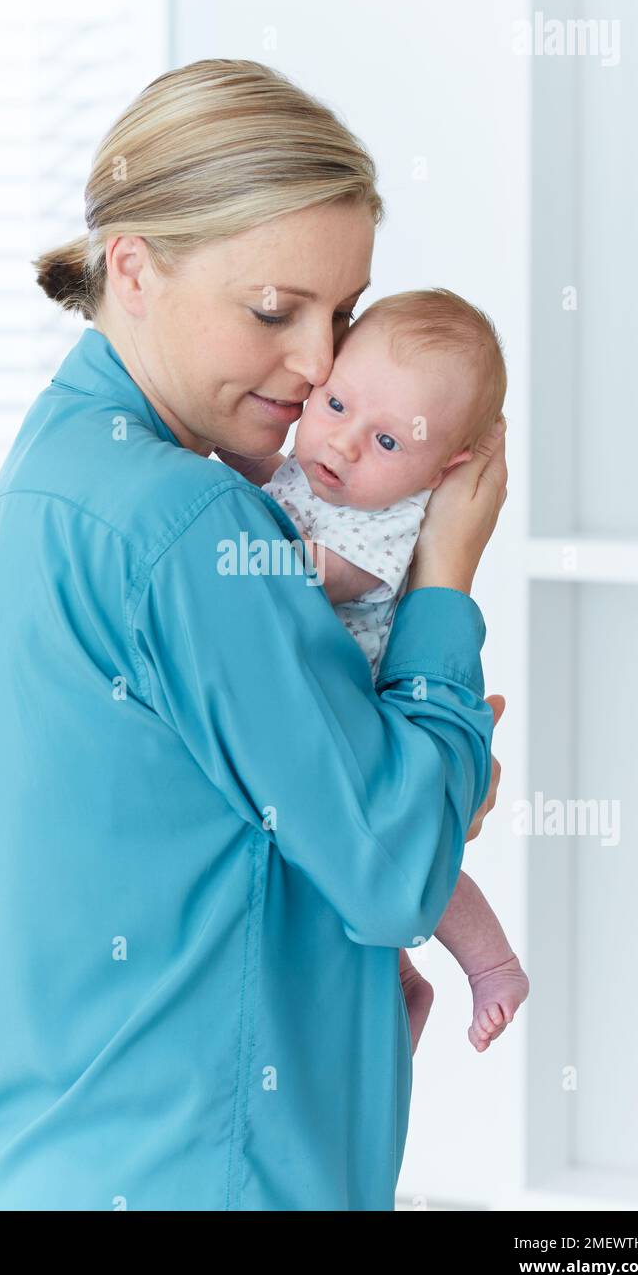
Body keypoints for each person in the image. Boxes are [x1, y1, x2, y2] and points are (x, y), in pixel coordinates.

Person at [0, 58, 507, 1212]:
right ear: (132, 267)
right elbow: (393, 871)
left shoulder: (51, 477)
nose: (316, 364)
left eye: (338, 313)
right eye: (271, 309)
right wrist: (445, 573)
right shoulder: (190, 520)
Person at [254, 288, 527, 1055]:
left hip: (373, 716)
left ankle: (495, 966)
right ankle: (403, 984)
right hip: (326, 721)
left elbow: (321, 575)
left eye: (387, 443)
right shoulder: (314, 474)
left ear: (448, 469)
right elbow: (261, 468)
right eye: (335, 404)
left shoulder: (391, 519)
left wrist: (235, 541)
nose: (341, 445)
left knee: (417, 866)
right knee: (347, 871)